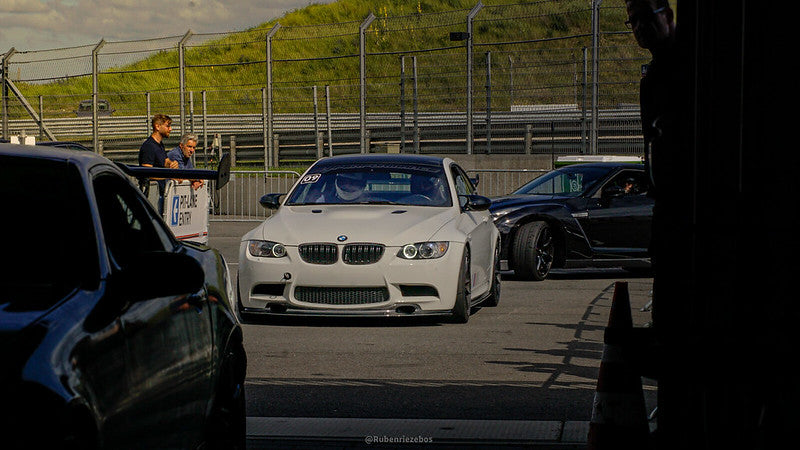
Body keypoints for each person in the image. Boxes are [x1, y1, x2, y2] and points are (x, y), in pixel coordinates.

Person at [138, 114, 178, 214]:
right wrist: (168, 175)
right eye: (167, 126)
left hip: (160, 194)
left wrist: (172, 164)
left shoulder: (159, 145)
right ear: (157, 126)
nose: (170, 129)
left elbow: (165, 161)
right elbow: (147, 172)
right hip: (152, 196)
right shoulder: (149, 146)